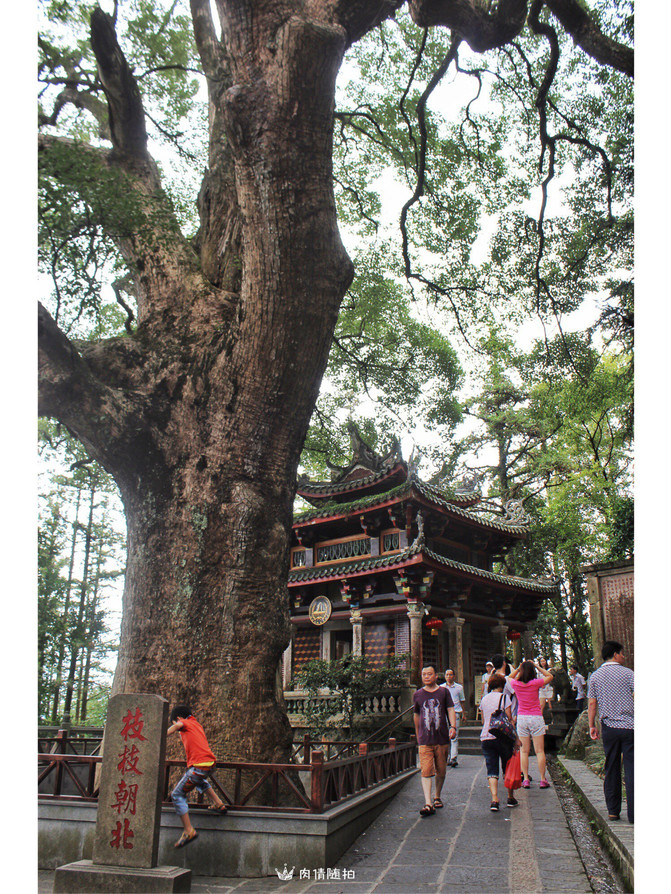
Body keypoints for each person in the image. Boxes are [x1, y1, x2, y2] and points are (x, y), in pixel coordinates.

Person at [167, 705, 228, 847]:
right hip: (210, 764)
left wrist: (161, 734)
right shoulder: (196, 724)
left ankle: (189, 830)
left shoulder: (184, 723)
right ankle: (218, 803)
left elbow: (178, 726)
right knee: (198, 781)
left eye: (174, 722)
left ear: (178, 718)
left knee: (177, 795)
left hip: (199, 766)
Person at [588, 641, 634, 823]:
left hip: (609, 727)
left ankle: (613, 811)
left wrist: (592, 725)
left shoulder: (595, 677)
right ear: (615, 654)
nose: (624, 656)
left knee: (612, 767)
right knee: (632, 769)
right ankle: (634, 813)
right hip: (630, 726)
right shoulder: (629, 673)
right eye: (622, 653)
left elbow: (592, 703)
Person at [413, 666, 457, 816]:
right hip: (425, 740)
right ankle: (428, 803)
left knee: (441, 770)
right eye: (424, 674)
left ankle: (437, 795)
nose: (426, 676)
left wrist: (453, 726)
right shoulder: (418, 694)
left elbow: (450, 709)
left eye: (429, 674)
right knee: (425, 771)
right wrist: (418, 734)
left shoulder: (444, 692)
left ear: (436, 675)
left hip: (441, 738)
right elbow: (417, 715)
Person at [509, 660, 554, 789]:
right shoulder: (535, 683)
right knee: (540, 751)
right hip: (536, 717)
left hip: (522, 718)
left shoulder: (516, 684)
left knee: (524, 751)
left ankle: (526, 779)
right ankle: (542, 779)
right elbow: (550, 676)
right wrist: (537, 666)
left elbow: (509, 677)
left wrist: (518, 668)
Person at [479, 673, 521, 811]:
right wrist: (516, 738)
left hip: (487, 736)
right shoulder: (505, 698)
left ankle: (494, 800)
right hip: (503, 738)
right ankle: (510, 797)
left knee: (491, 767)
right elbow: (509, 720)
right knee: (506, 766)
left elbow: (484, 721)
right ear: (502, 685)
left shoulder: (484, 699)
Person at [442, 668, 465, 767]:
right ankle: (446, 757)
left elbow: (462, 700)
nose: (448, 676)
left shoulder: (459, 688)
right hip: (444, 713)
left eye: (450, 674)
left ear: (454, 676)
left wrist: (464, 714)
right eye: (447, 675)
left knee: (454, 736)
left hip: (455, 712)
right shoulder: (441, 687)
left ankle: (453, 757)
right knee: (445, 736)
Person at [538, 657, 554, 721]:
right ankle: (540, 721)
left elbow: (551, 678)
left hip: (549, 689)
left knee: (551, 706)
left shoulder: (550, 670)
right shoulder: (539, 671)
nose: (542, 663)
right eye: (541, 661)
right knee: (541, 706)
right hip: (542, 690)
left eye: (544, 661)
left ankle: (554, 720)